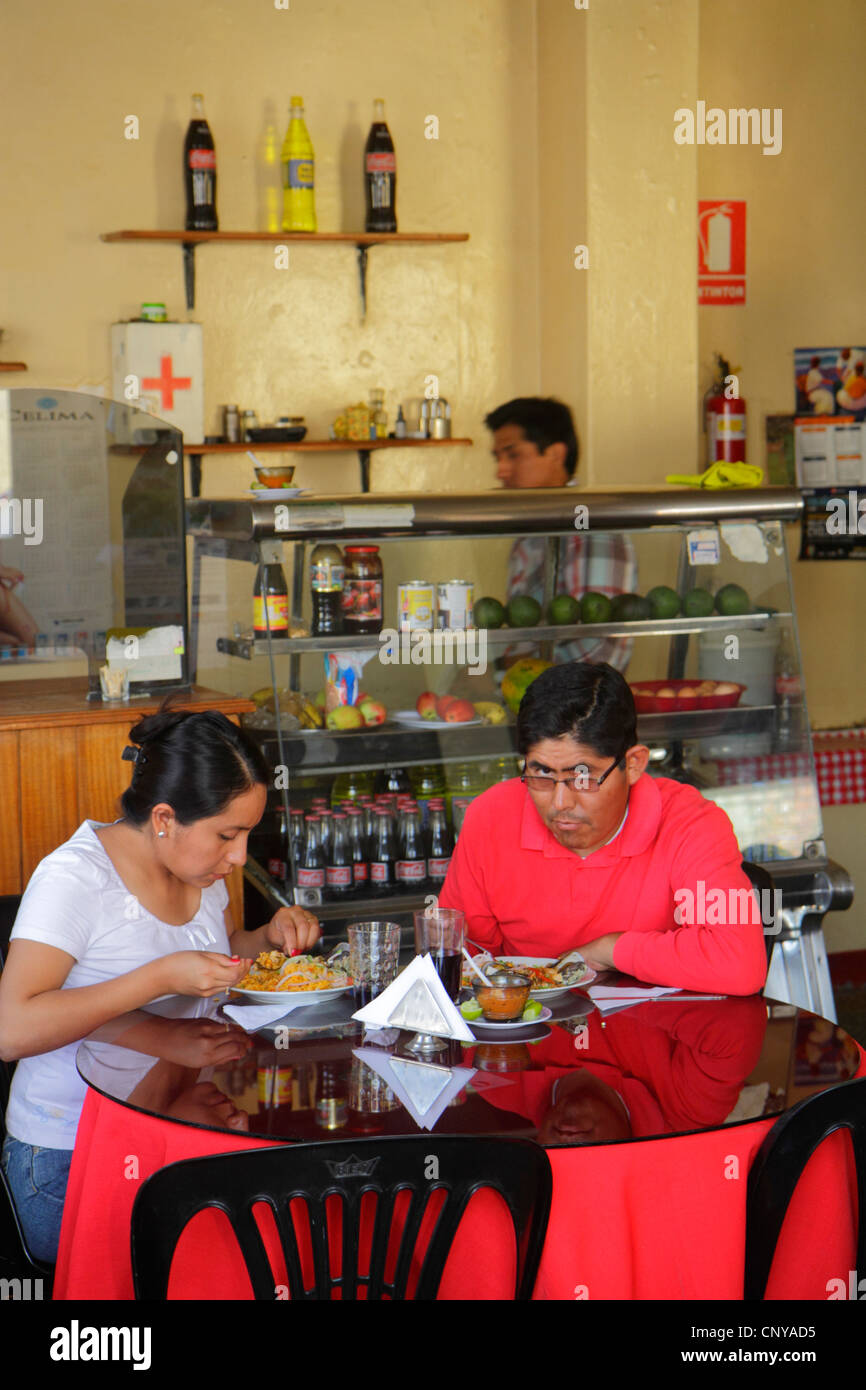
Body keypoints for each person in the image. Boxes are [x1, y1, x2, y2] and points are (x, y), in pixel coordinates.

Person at [0, 707, 321, 1262]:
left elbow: (220, 957)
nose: (239, 856)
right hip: (66, 1160)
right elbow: (12, 1029)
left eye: (246, 834)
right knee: (225, 1253)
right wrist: (158, 979)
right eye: (227, 834)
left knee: (290, 1226)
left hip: (168, 1119)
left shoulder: (204, 871)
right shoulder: (75, 878)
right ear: (165, 818)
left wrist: (267, 938)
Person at [438, 661, 768, 996]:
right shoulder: (491, 817)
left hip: (654, 1040)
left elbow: (740, 963)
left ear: (634, 764)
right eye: (541, 774)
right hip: (525, 1042)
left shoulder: (691, 823)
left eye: (583, 777)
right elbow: (460, 955)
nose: (560, 802)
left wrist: (611, 950)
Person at [485, 397, 637, 671]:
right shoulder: (530, 530)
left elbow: (600, 649)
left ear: (556, 453)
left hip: (573, 709)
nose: (501, 471)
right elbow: (527, 635)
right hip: (531, 703)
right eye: (497, 458)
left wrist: (500, 671)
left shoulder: (590, 526)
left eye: (513, 454)